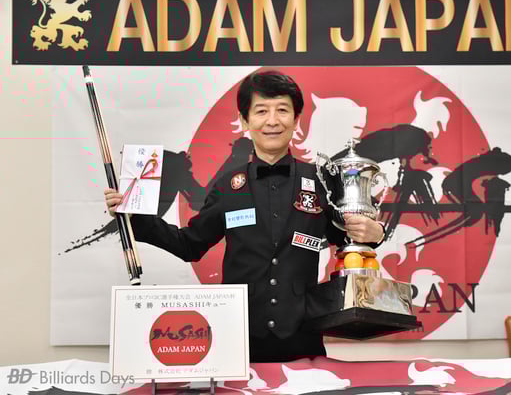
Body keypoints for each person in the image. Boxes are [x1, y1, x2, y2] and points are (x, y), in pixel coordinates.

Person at [104, 71, 385, 362]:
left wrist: (375, 233)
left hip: (304, 341)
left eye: (282, 110)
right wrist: (133, 217)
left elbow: (347, 237)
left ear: (296, 120)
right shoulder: (227, 186)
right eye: (261, 111)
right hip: (238, 343)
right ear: (244, 121)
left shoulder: (321, 181)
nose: (272, 121)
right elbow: (189, 244)